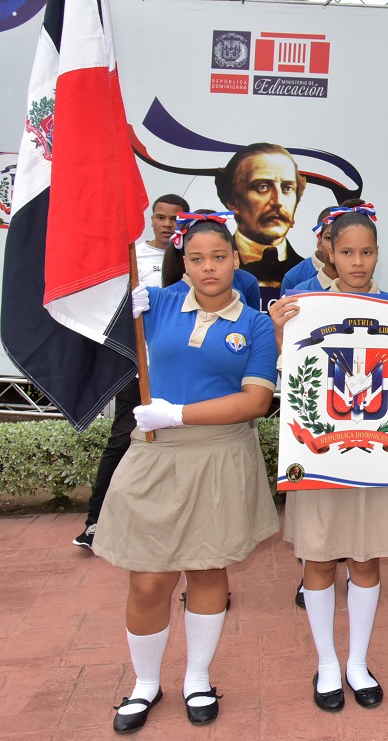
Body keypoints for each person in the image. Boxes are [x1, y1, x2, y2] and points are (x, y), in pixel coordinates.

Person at [92, 214, 278, 732]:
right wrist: (117, 313)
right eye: (196, 259)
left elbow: (255, 400)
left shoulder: (257, 323)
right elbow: (104, 341)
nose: (209, 267)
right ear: (184, 262)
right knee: (149, 579)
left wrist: (177, 413)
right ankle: (144, 684)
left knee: (206, 569)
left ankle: (197, 677)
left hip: (219, 454)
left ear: (236, 259)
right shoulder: (157, 303)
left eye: (219, 257)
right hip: (154, 453)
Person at [269, 207, 388, 712]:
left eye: (367, 252)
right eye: (347, 251)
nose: (357, 261)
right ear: (328, 250)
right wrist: (282, 338)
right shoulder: (301, 307)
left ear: (378, 253)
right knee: (319, 558)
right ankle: (327, 662)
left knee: (366, 557)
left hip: (375, 460)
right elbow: (287, 388)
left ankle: (357, 661)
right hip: (321, 457)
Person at [73, 194, 188, 550]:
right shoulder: (133, 257)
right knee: (123, 438)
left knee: (179, 445)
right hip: (140, 368)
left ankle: (168, 524)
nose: (167, 224)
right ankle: (96, 521)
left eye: (175, 219)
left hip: (182, 369)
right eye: (161, 217)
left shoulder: (192, 260)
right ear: (151, 220)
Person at [215, 143, 306, 308]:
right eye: (262, 187)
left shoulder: (306, 274)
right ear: (232, 200)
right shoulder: (213, 273)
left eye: (287, 188)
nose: (278, 202)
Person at [281, 199, 367, 293]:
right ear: (319, 243)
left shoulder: (360, 273)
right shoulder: (295, 279)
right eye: (329, 238)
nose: (335, 244)